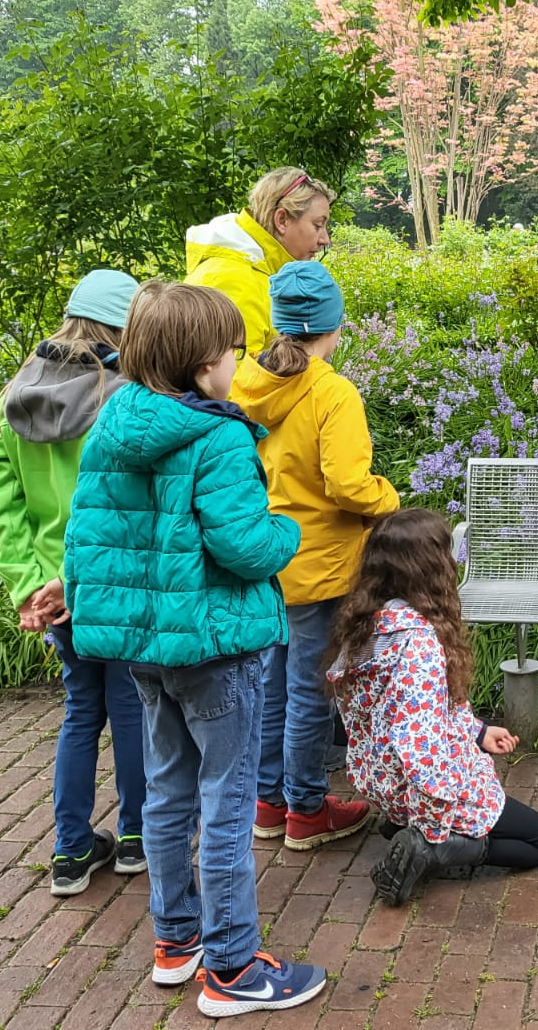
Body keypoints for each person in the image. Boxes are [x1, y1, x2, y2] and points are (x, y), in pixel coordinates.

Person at [63, 281, 326, 1017]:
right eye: (230, 349)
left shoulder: (112, 422)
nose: (237, 361)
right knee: (228, 801)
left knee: (169, 794)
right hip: (216, 650)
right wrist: (289, 533)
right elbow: (245, 547)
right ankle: (234, 968)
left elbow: (84, 543)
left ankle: (176, 943)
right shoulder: (216, 435)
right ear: (197, 360)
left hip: (146, 653)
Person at [0, 269, 146, 897]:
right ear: (124, 327)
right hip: (113, 583)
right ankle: (134, 837)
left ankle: (71, 851)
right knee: (129, 708)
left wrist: (28, 579)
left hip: (52, 593)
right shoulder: (123, 393)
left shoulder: (17, 390)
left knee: (79, 711)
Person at [231, 261, 399, 851]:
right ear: (334, 323)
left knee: (270, 685)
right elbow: (348, 485)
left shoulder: (246, 384)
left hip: (262, 557)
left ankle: (269, 803)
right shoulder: (332, 392)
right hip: (322, 562)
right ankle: (306, 808)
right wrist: (391, 500)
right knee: (308, 688)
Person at [325, 508, 538, 906]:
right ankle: (430, 849)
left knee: (476, 809)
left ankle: (402, 824)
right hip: (421, 788)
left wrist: (478, 732)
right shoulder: (419, 645)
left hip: (379, 777)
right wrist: (435, 823)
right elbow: (422, 751)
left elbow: (402, 716)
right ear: (431, 567)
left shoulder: (368, 623)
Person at [185, 166, 334, 356]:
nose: (325, 239)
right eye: (318, 225)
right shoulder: (236, 280)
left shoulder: (256, 267)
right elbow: (237, 381)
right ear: (282, 220)